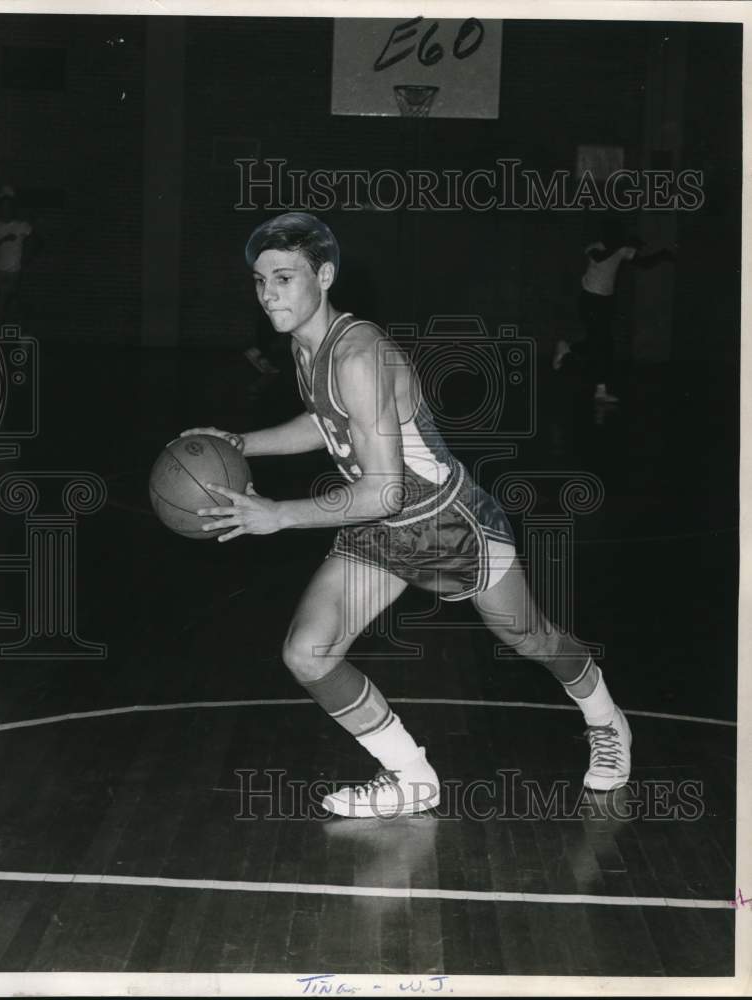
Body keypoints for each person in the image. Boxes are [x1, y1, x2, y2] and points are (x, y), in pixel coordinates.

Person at [181, 212, 632, 818]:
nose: (268, 295)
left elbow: (386, 493)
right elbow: (325, 422)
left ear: (326, 275)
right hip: (378, 530)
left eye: (284, 279)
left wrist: (279, 515)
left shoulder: (358, 355)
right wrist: (241, 443)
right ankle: (409, 776)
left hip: (445, 522)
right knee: (308, 652)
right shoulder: (305, 343)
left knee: (528, 636)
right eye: (260, 282)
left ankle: (607, 722)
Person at [553, 219, 676, 403]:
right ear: (607, 235)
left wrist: (662, 255)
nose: (618, 238)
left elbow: (643, 263)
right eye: (615, 235)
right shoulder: (595, 247)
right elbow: (600, 257)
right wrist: (623, 242)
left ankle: (567, 349)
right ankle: (599, 390)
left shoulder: (621, 249)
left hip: (605, 302)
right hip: (589, 300)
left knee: (600, 343)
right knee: (601, 344)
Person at [0, 186, 39, 333]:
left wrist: (27, 259)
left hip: (13, 272)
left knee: (5, 305)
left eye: (9, 206)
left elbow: (36, 241)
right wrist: (2, 240)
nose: (6, 210)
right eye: (3, 206)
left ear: (13, 207)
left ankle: (6, 338)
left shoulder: (22, 226)